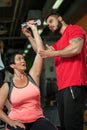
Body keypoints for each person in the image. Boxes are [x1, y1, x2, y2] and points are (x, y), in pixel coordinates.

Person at [0, 22, 57, 130]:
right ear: (12, 65)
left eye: (23, 58)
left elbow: (40, 52)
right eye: (19, 59)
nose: (23, 60)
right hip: (17, 121)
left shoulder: (33, 76)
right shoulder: (7, 86)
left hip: (37, 119)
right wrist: (10, 121)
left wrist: (33, 30)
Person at [37, 13, 87, 130]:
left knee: (72, 125)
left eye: (51, 21)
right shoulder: (60, 42)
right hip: (62, 88)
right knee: (64, 126)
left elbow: (76, 48)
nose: (49, 25)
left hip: (74, 83)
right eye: (47, 24)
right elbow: (41, 51)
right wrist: (32, 32)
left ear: (60, 18)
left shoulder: (74, 29)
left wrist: (54, 53)